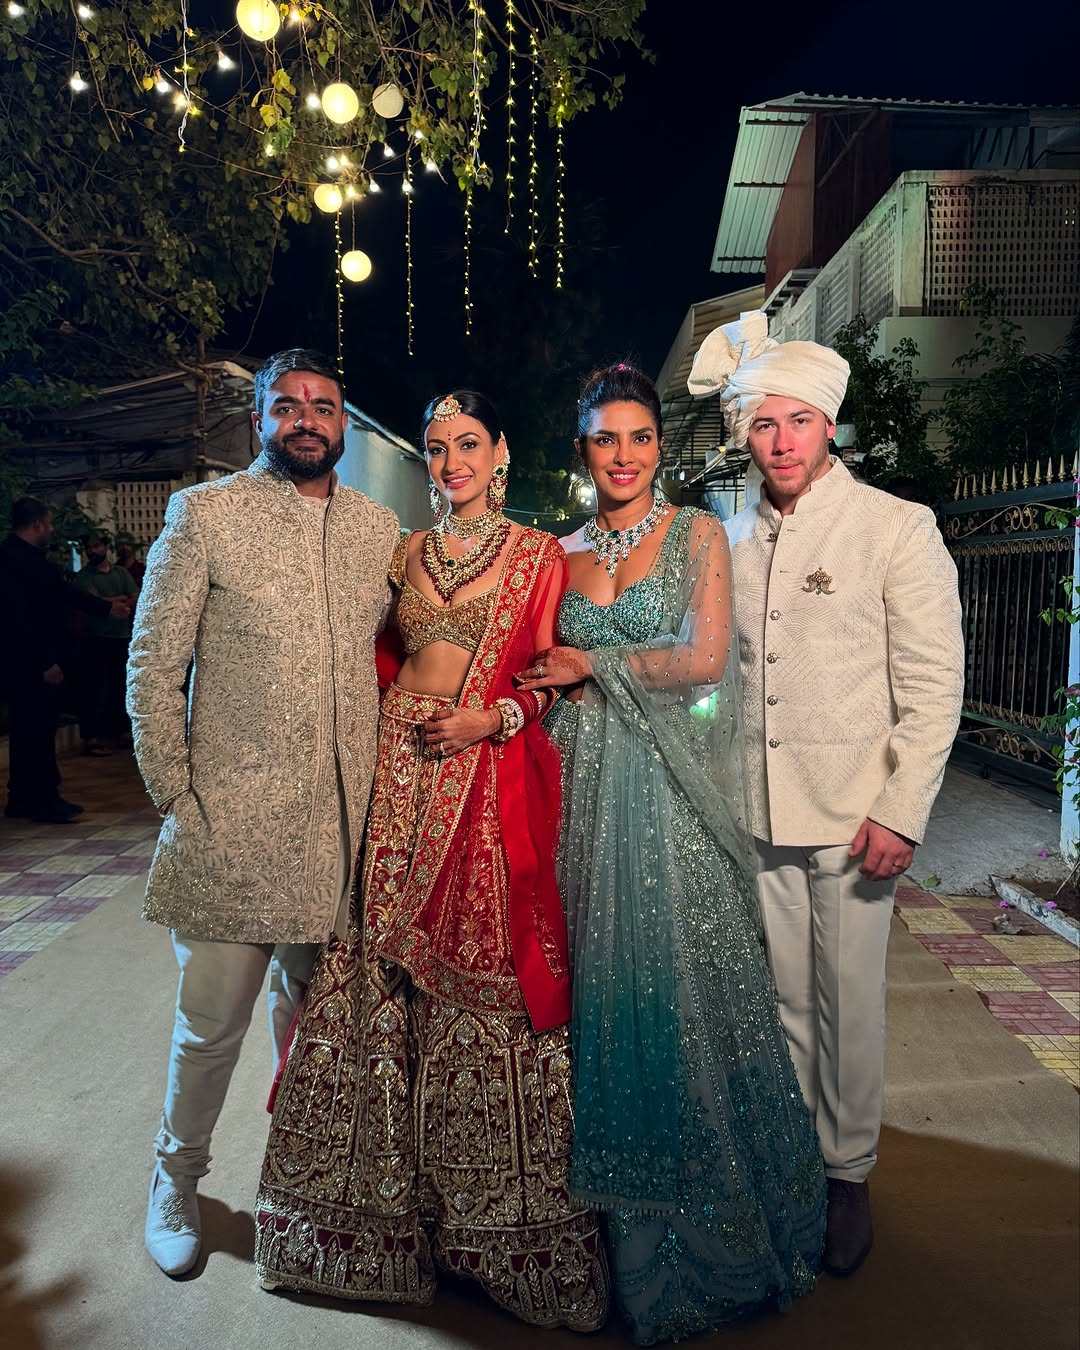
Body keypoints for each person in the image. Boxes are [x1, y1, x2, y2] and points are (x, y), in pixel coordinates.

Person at [256, 390, 609, 1331]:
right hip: (392, 769)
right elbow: (359, 652)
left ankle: (495, 1233)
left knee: (476, 986)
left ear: (501, 454)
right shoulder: (403, 550)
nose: (452, 462)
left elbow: (550, 680)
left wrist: (494, 718)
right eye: (437, 447)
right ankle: (375, 1226)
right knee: (376, 982)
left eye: (468, 446)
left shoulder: (540, 556)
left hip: (480, 782)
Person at [516, 363, 825, 1345]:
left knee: (681, 998)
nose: (622, 456)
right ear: (582, 452)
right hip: (577, 793)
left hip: (668, 799)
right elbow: (525, 665)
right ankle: (604, 1255)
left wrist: (591, 664)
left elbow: (702, 660)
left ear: (660, 446)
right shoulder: (552, 553)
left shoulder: (697, 535)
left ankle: (712, 1243)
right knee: (595, 1005)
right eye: (604, 440)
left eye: (638, 437)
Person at [688, 312, 964, 1277]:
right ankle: (796, 1158)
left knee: (849, 1000)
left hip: (856, 815)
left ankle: (848, 1174)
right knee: (782, 1000)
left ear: (828, 426)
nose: (782, 441)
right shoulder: (729, 537)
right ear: (746, 437)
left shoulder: (896, 526)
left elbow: (934, 689)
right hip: (755, 808)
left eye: (799, 421)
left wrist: (903, 810)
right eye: (764, 425)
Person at [127, 348, 399, 1277]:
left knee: (317, 1033)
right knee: (210, 1025)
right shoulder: (205, 515)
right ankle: (176, 1175)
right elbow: (153, 667)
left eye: (324, 406)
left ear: (346, 425)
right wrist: (177, 796)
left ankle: (312, 1190)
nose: (307, 421)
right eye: (288, 407)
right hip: (233, 832)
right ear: (261, 422)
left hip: (343, 831)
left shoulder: (375, 528)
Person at [0, 497, 128, 822]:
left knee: (30, 731)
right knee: (36, 732)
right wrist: (45, 662)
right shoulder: (17, 562)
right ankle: (40, 799)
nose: (52, 529)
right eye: (49, 523)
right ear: (38, 524)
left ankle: (24, 797)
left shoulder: (23, 558)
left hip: (27, 661)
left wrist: (107, 608)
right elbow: (19, 618)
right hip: (30, 663)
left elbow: (63, 592)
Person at [73, 533, 138, 755]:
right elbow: (90, 600)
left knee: (120, 685)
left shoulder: (121, 572)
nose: (92, 551)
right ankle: (92, 736)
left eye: (96, 546)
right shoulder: (84, 576)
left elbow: (134, 595)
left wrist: (110, 601)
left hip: (120, 636)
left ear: (105, 547)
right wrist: (115, 600)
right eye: (88, 547)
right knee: (94, 687)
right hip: (96, 637)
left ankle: (119, 731)